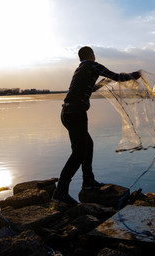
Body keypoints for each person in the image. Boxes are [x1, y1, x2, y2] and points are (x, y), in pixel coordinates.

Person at [53, 46, 140, 205]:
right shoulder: (93, 65)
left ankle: (88, 182)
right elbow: (117, 76)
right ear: (91, 55)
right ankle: (61, 191)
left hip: (67, 114)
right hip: (76, 114)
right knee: (78, 153)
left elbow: (91, 88)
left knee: (88, 145)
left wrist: (103, 83)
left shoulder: (81, 69)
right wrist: (133, 75)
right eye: (94, 54)